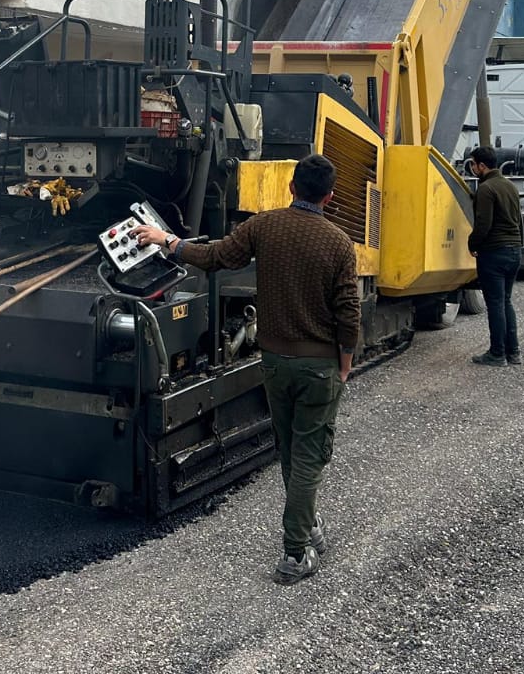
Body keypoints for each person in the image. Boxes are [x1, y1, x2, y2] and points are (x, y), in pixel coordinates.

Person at [130, 154, 359, 586]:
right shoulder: (338, 243)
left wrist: (167, 240)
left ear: (291, 187)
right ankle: (296, 552)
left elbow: (215, 256)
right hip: (319, 364)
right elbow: (348, 313)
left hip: (274, 362)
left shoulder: (264, 225)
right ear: (329, 196)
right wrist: (345, 362)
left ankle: (306, 524)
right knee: (309, 453)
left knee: (290, 447)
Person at [466, 145, 524, 369]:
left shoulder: (486, 189)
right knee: (506, 301)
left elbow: (483, 225)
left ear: (482, 166)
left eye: (473, 164)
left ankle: (497, 354)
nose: (472, 168)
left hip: (494, 253)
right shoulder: (510, 186)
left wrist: (472, 244)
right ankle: (514, 352)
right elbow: (518, 220)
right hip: (514, 250)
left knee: (496, 304)